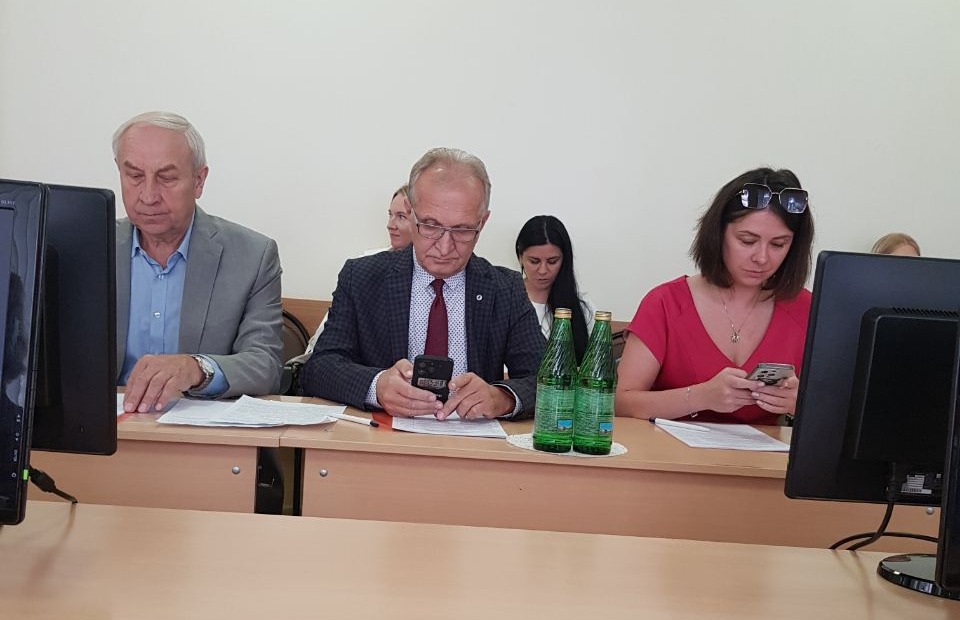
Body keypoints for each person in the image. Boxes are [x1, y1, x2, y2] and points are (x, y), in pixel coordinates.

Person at [300, 147, 545, 420]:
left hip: (471, 440)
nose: (444, 246)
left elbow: (547, 378)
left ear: (483, 222)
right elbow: (319, 368)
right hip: (382, 437)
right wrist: (376, 386)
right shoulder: (362, 278)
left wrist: (502, 398)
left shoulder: (504, 288)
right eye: (430, 226)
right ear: (411, 213)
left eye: (463, 230)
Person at [114, 111, 283, 414]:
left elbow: (265, 365)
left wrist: (197, 369)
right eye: (135, 176)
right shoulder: (88, 247)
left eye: (166, 178)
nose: (148, 196)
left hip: (198, 431)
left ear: (199, 180)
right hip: (104, 429)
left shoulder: (252, 255)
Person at [616, 168, 815, 425]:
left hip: (762, 452)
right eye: (747, 241)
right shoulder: (666, 303)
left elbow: (838, 413)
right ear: (718, 234)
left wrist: (799, 405)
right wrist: (699, 397)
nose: (762, 258)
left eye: (779, 244)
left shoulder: (806, 309)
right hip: (668, 449)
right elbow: (619, 402)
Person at [292, 185, 412, 364]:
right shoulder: (363, 270)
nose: (390, 225)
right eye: (390, 215)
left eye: (401, 217)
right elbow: (323, 347)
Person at [515, 215, 596, 362]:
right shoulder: (506, 302)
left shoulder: (583, 307)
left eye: (552, 262)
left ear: (564, 259)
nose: (543, 270)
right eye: (534, 261)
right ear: (520, 257)